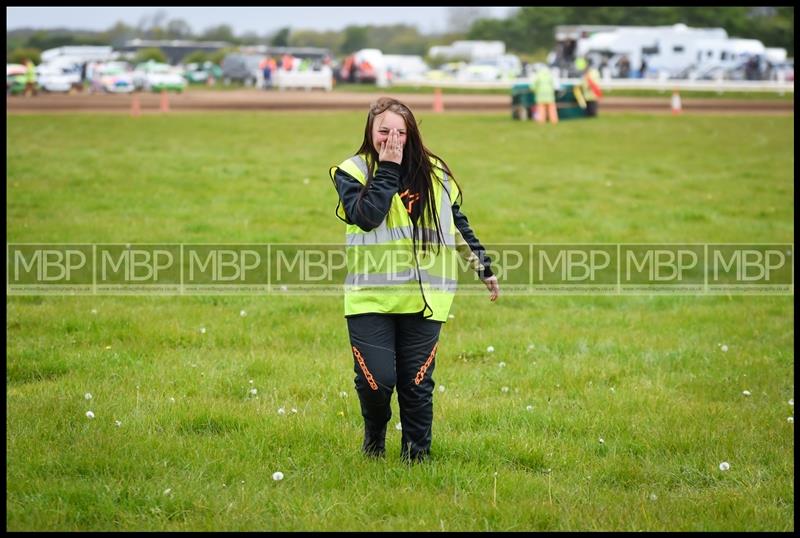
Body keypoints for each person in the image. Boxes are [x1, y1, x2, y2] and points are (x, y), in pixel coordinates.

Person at [329, 97, 499, 463]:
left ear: (412, 134)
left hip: (426, 296)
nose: (392, 138)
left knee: (417, 384)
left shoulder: (435, 172)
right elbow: (367, 216)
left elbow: (456, 224)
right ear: (370, 132)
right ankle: (374, 437)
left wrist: (482, 265)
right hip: (371, 297)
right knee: (377, 383)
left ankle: (416, 459)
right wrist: (388, 168)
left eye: (401, 132)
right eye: (384, 130)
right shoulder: (354, 171)